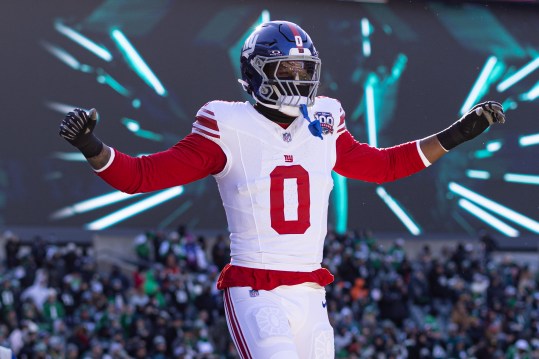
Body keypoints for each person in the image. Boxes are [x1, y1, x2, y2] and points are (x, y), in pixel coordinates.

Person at [58, 20, 505, 359]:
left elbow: (384, 166)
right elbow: (141, 177)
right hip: (256, 288)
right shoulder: (226, 123)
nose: (299, 75)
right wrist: (90, 145)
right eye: (287, 67)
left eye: (304, 67)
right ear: (256, 72)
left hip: (312, 291)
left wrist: (456, 135)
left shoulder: (325, 119)